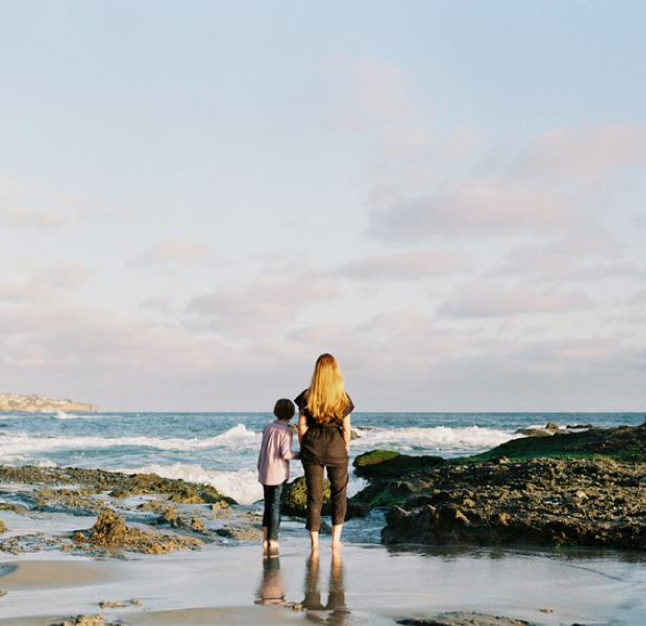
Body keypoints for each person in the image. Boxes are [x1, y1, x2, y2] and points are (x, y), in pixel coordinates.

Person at [295, 353, 354, 552]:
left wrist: (305, 446)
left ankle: (314, 543)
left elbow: (301, 427)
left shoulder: (306, 396)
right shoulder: (342, 397)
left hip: (312, 446)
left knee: (314, 495)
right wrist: (343, 449)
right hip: (336, 446)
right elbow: (347, 430)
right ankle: (335, 542)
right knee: (339, 493)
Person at [257, 398, 300, 553]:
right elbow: (286, 454)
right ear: (291, 414)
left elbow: (263, 450)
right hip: (278, 474)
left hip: (264, 471)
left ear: (275, 411)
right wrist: (302, 455)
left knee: (268, 506)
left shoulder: (268, 427)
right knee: (276, 507)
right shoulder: (286, 430)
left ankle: (265, 540)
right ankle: (274, 540)